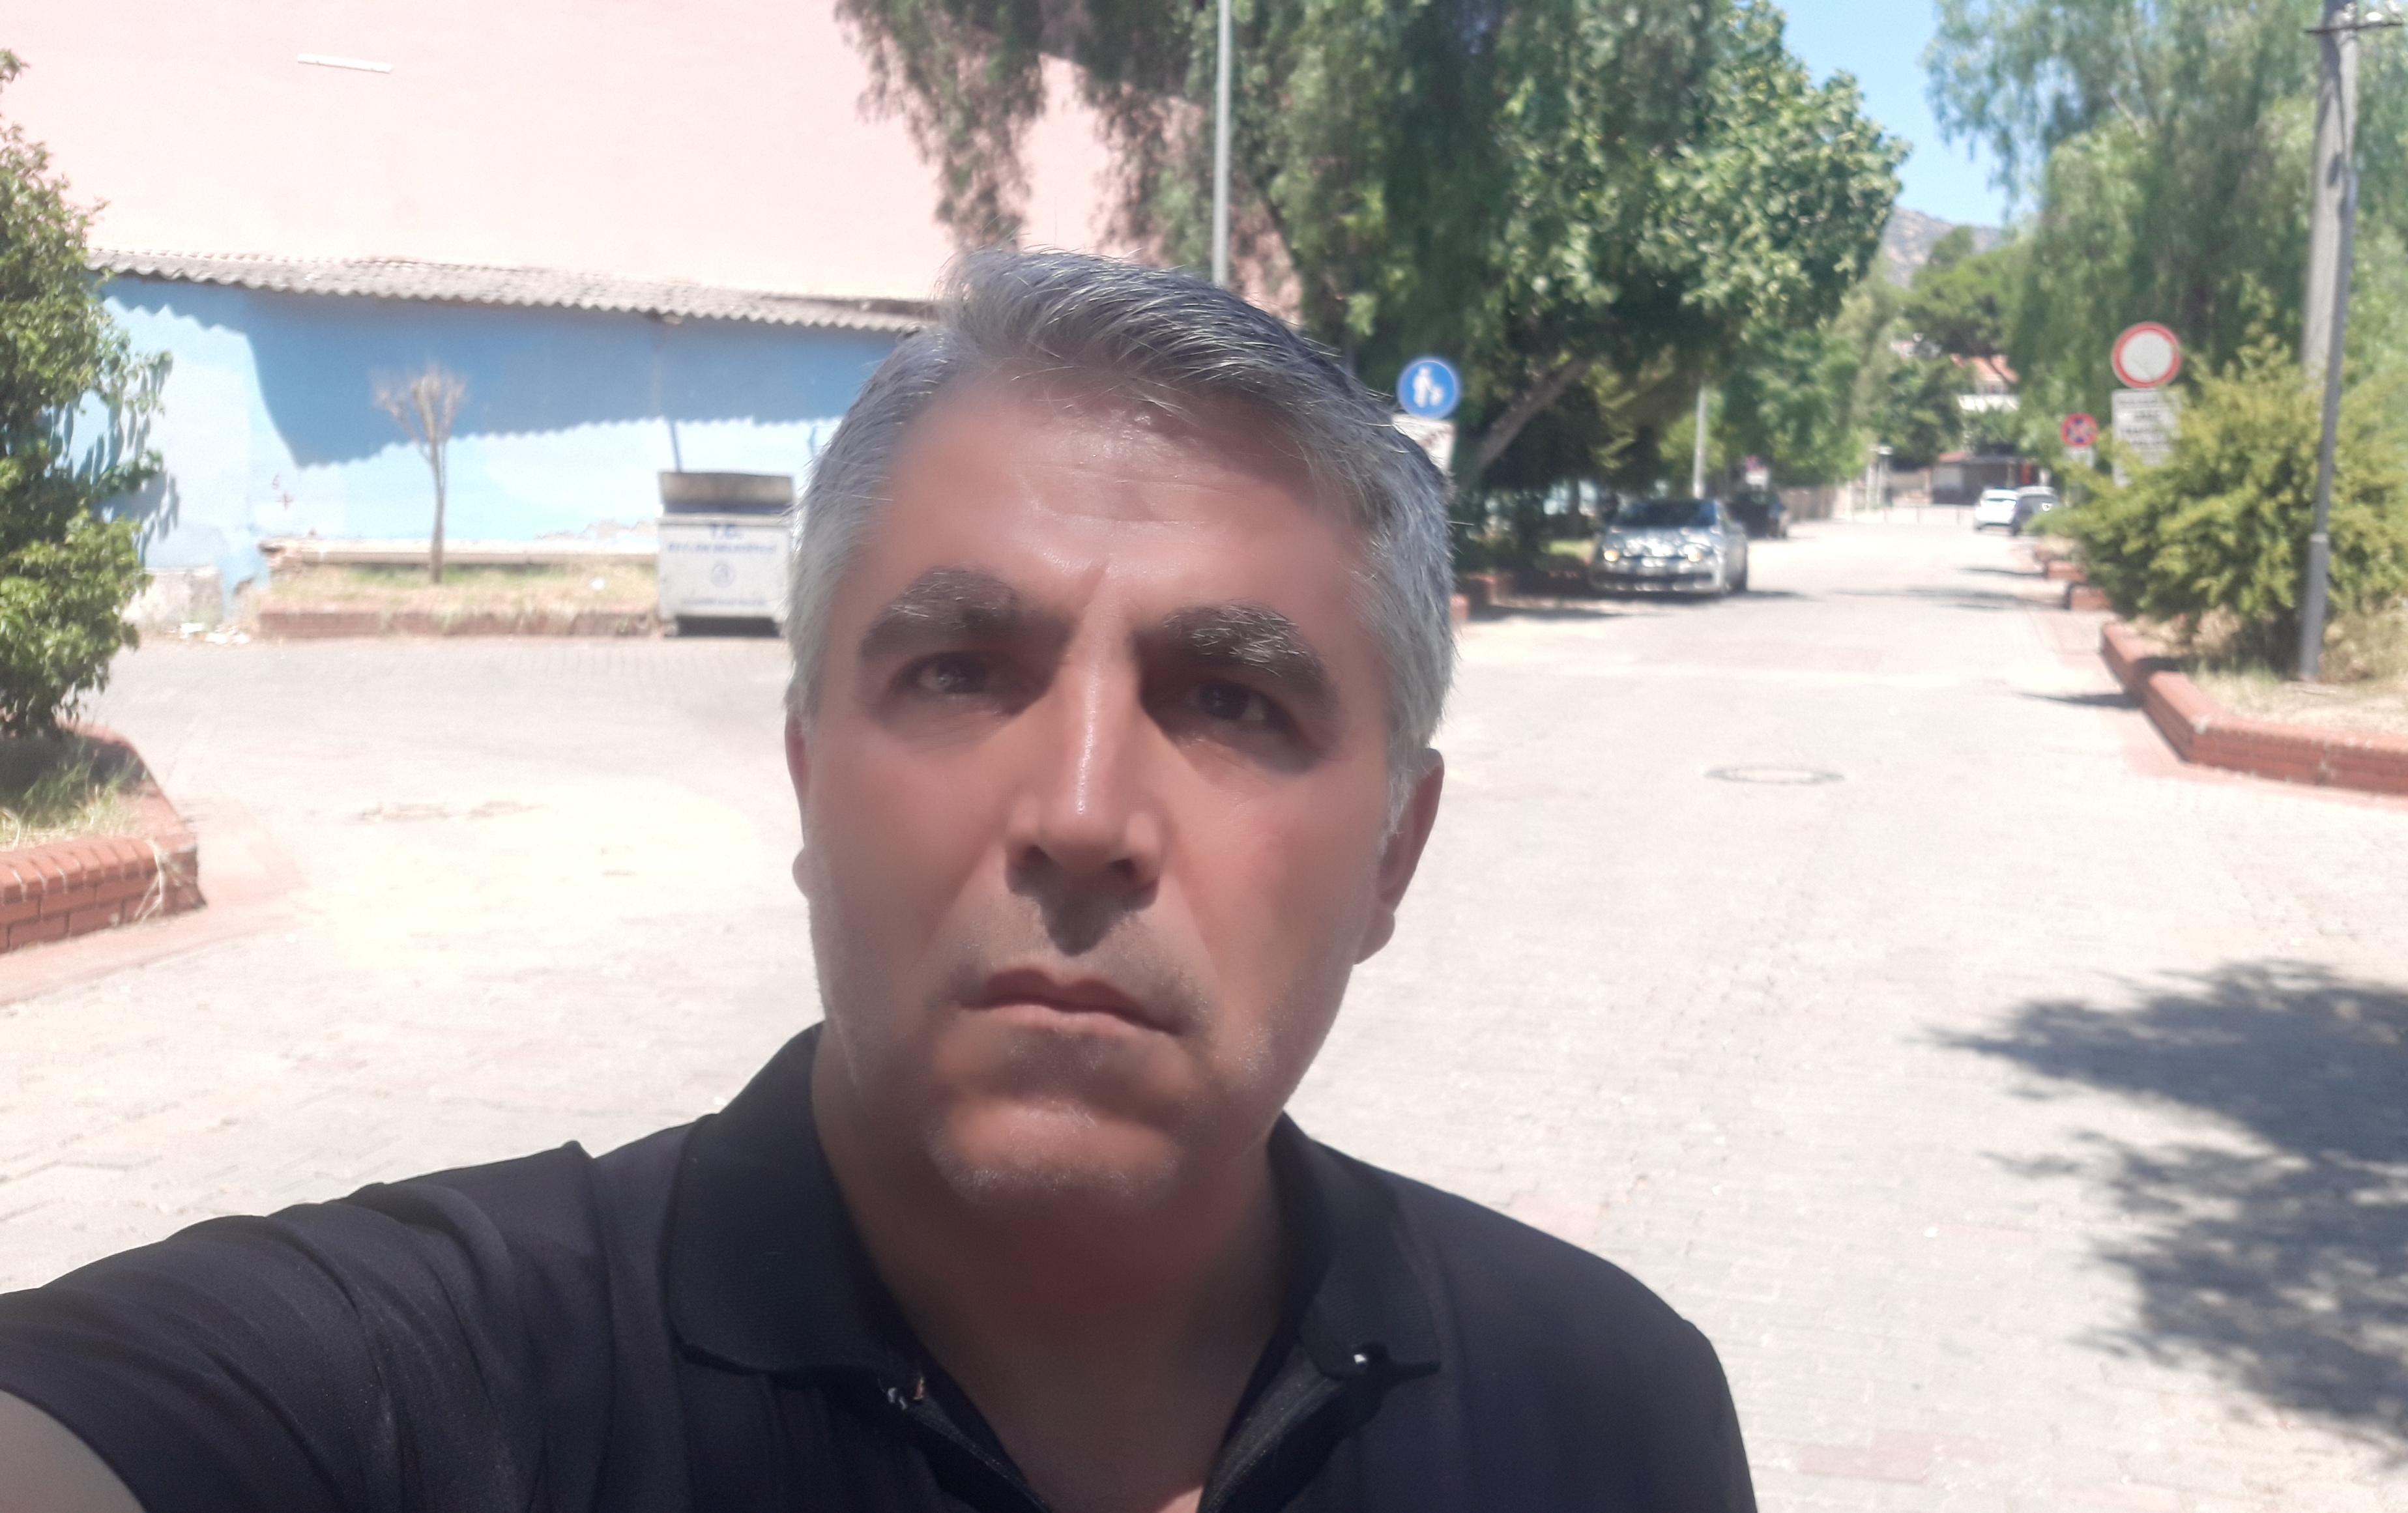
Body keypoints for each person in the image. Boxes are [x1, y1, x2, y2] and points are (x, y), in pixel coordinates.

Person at [0, 251, 1756, 1513]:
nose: (1082, 812)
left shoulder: (1604, 1414)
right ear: (808, 781)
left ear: (1395, 851)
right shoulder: (441, 1381)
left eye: (1232, 697)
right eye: (961, 669)